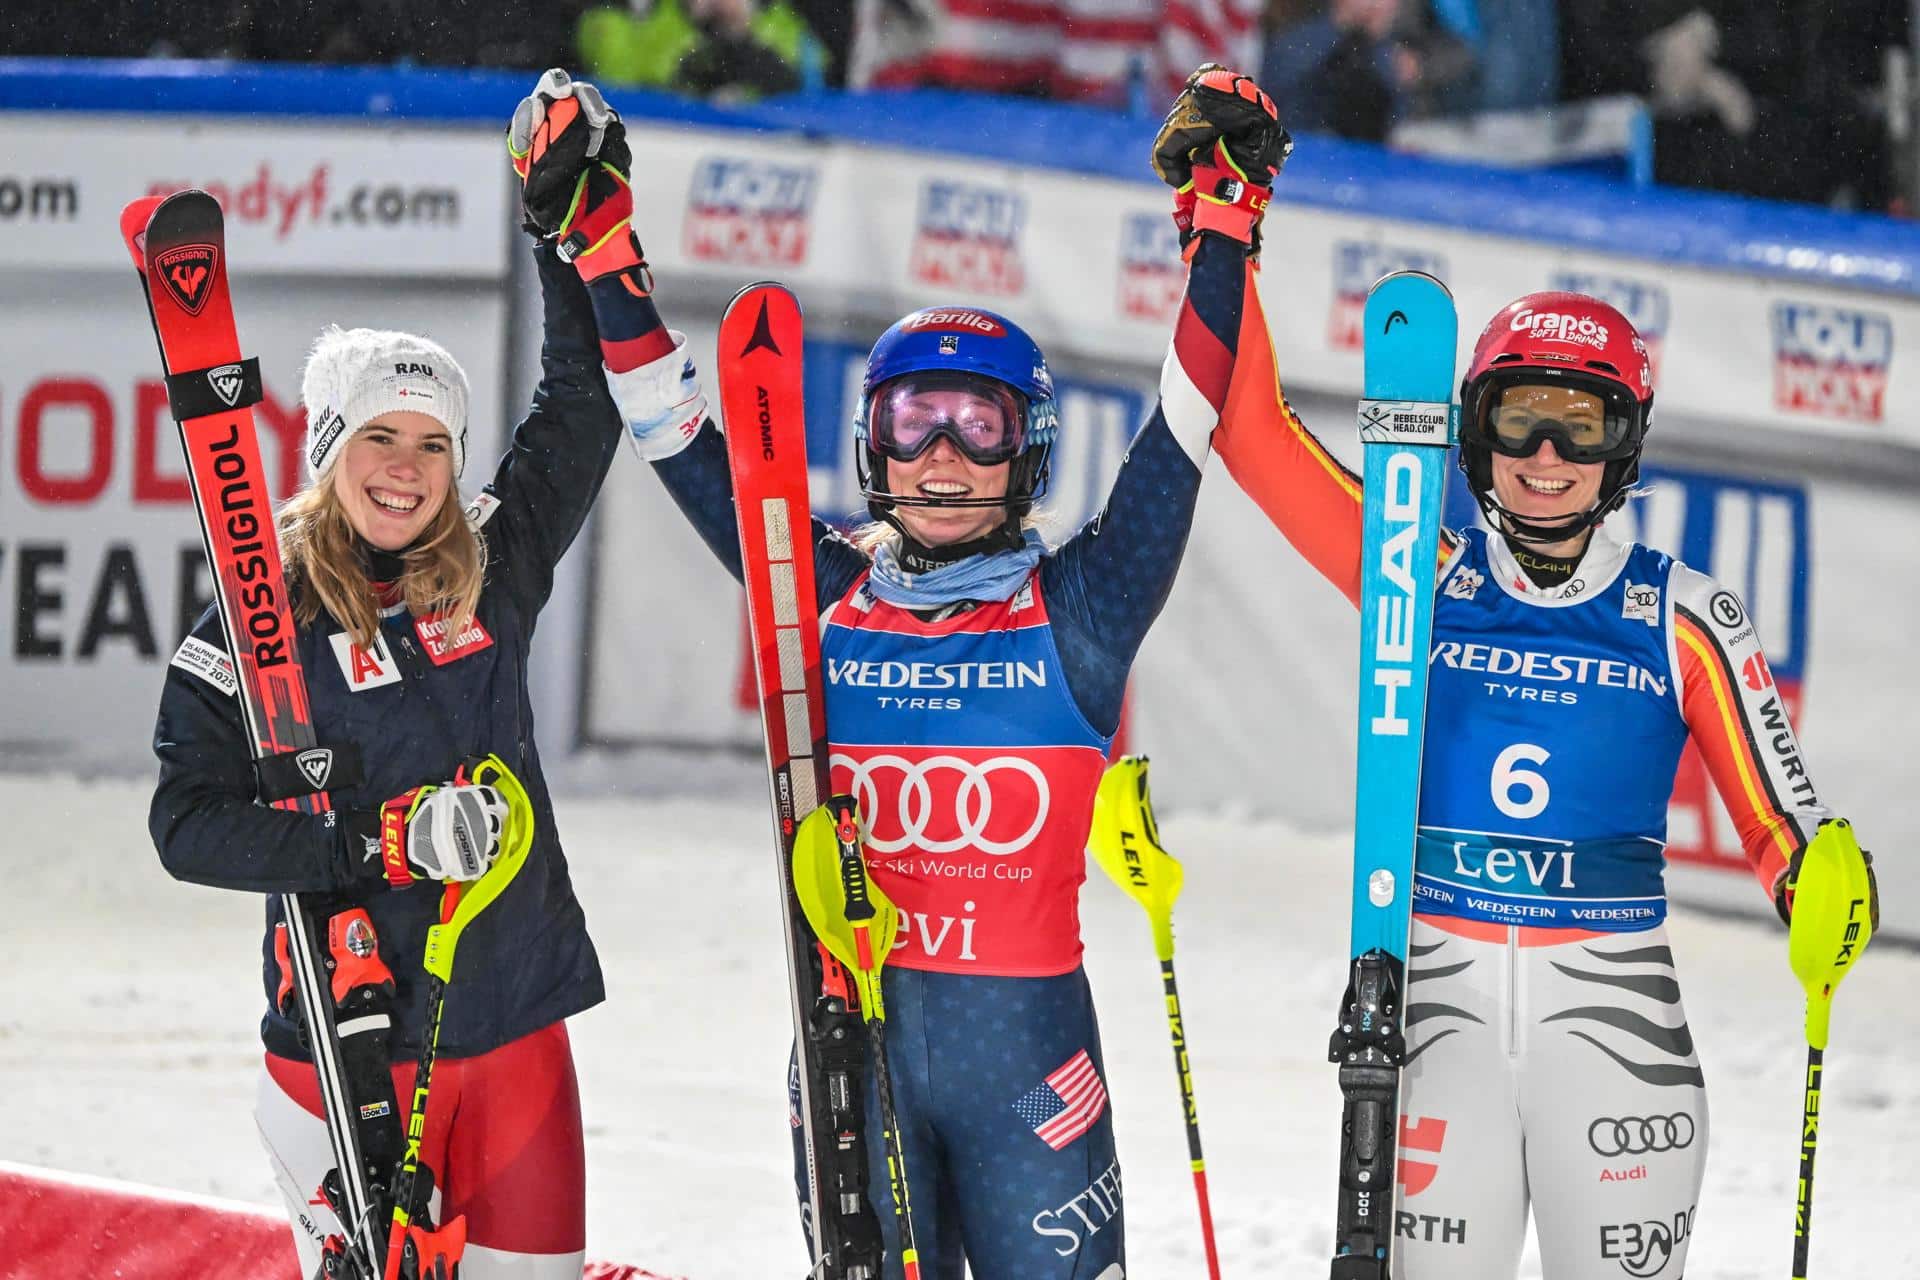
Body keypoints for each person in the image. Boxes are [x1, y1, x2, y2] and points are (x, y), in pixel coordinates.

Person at [603, 64, 1287, 1280]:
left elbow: (1182, 431)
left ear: (1024, 450)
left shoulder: (1082, 605)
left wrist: (1222, 237)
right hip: (853, 1057)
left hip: (1034, 1081)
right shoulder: (821, 593)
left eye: (978, 425)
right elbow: (681, 441)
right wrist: (603, 253)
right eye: (914, 419)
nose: (943, 457)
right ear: (872, 441)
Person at [1213, 287, 1879, 1277]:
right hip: (1435, 1031)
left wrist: (1826, 888)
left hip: (1617, 1044)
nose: (1546, 458)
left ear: (1627, 443)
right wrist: (1223, 223)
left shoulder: (1685, 614)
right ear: (1475, 430)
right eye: (1518, 419)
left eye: (1582, 426)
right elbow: (1252, 433)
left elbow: (1786, 825)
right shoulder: (1413, 570)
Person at [147, 70, 658, 1278]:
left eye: (433, 442)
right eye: (380, 433)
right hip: (347, 1043)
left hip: (518, 1020)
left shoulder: (493, 561)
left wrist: (559, 226)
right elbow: (186, 824)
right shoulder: (260, 605)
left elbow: (582, 405)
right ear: (330, 449)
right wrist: (377, 841)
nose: (407, 466)